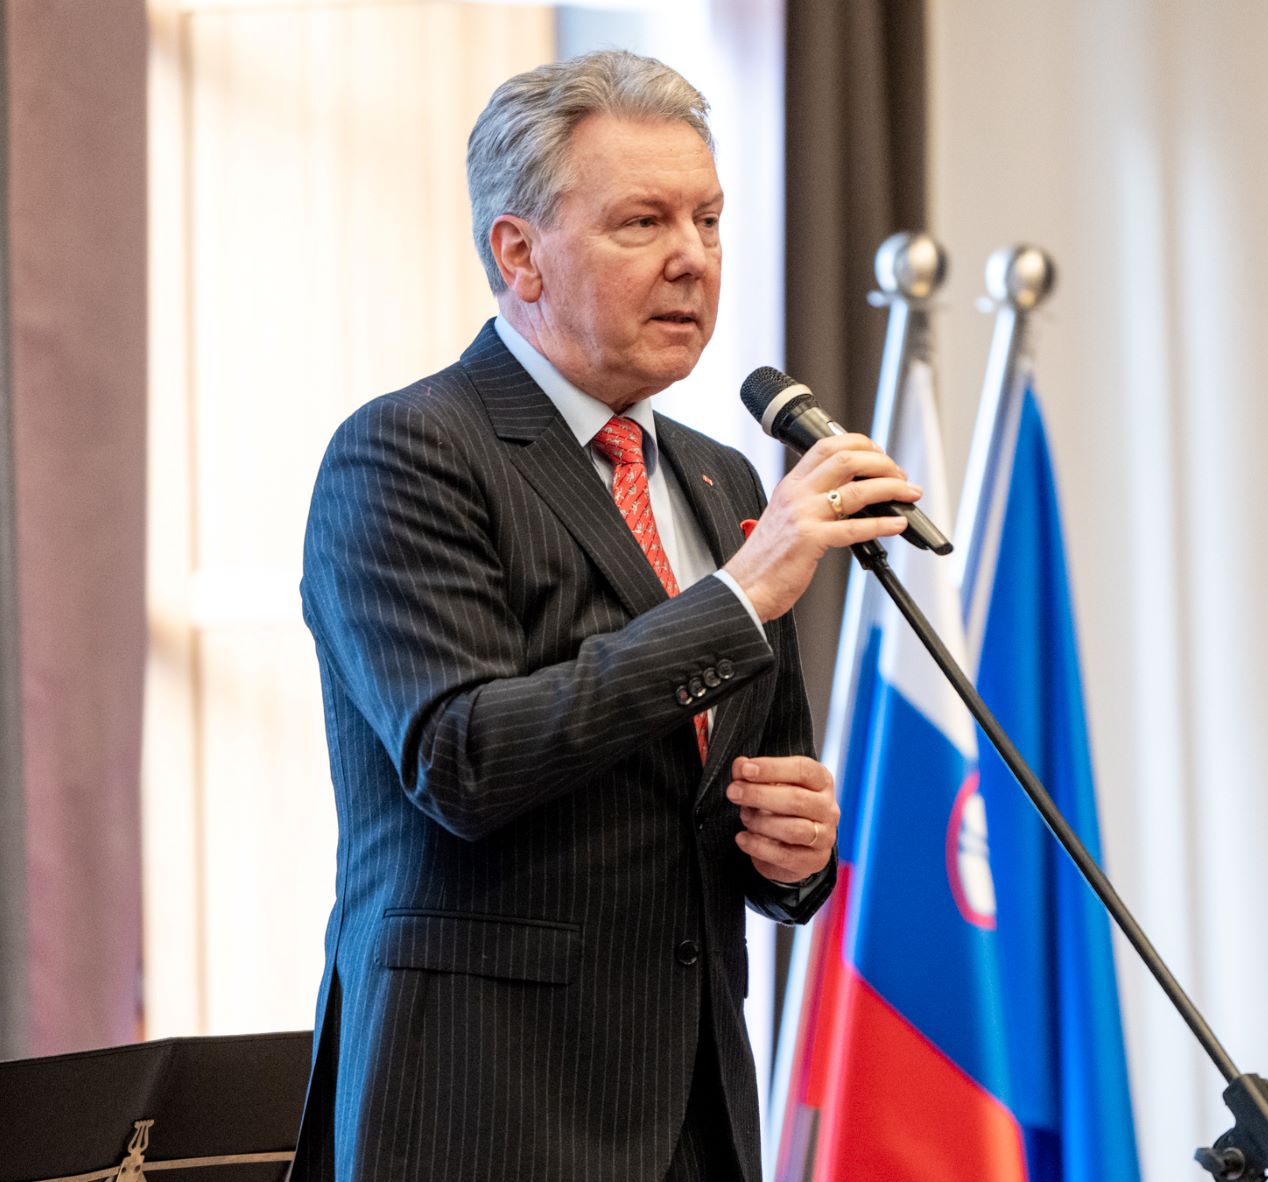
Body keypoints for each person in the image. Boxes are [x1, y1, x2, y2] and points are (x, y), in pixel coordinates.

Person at [289, 49, 919, 1182]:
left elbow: (735, 790)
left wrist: (794, 852)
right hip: (484, 1114)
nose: (693, 258)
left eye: (709, 220)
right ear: (518, 253)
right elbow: (462, 760)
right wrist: (740, 594)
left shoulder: (723, 479)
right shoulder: (407, 453)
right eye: (642, 222)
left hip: (692, 1114)